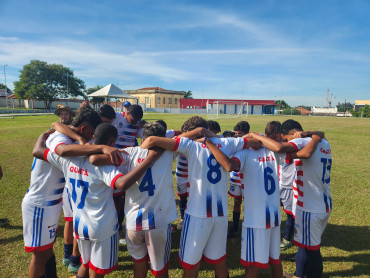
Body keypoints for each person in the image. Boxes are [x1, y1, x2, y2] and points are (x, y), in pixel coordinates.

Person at [33, 123, 162, 278]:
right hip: (102, 227)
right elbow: (121, 183)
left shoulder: (68, 158)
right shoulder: (106, 164)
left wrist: (43, 136)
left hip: (80, 224)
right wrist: (150, 159)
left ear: (94, 136)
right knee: (97, 271)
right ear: (112, 142)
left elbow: (38, 151)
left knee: (86, 263)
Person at [140, 116, 261, 278]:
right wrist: (220, 138)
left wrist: (196, 134)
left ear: (192, 133)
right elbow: (256, 142)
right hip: (221, 214)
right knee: (219, 262)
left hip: (197, 214)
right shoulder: (228, 142)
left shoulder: (189, 145)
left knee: (191, 265)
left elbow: (150, 141)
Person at [205, 121, 322, 278]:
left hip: (256, 220)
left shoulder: (244, 153)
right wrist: (314, 138)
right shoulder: (272, 151)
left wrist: (209, 144)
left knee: (252, 266)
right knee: (275, 261)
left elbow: (228, 165)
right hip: (274, 217)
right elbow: (303, 153)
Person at [22, 107, 121, 278]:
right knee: (40, 256)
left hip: (52, 203)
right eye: (92, 133)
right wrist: (101, 147)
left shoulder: (73, 139)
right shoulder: (59, 138)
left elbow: (58, 127)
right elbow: (61, 151)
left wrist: (83, 142)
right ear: (84, 129)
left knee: (46, 253)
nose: (92, 138)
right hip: (40, 204)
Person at [90, 121, 178, 278]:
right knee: (160, 269)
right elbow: (187, 138)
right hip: (158, 221)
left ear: (143, 138)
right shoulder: (168, 152)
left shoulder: (129, 153)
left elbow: (95, 159)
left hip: (133, 222)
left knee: (139, 265)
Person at [227, 121, 251, 238]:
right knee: (236, 203)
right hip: (235, 178)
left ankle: (248, 226)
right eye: (236, 134)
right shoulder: (232, 142)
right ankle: (235, 227)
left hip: (247, 179)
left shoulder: (252, 143)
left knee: (249, 203)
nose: (238, 137)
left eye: (240, 134)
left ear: (247, 133)